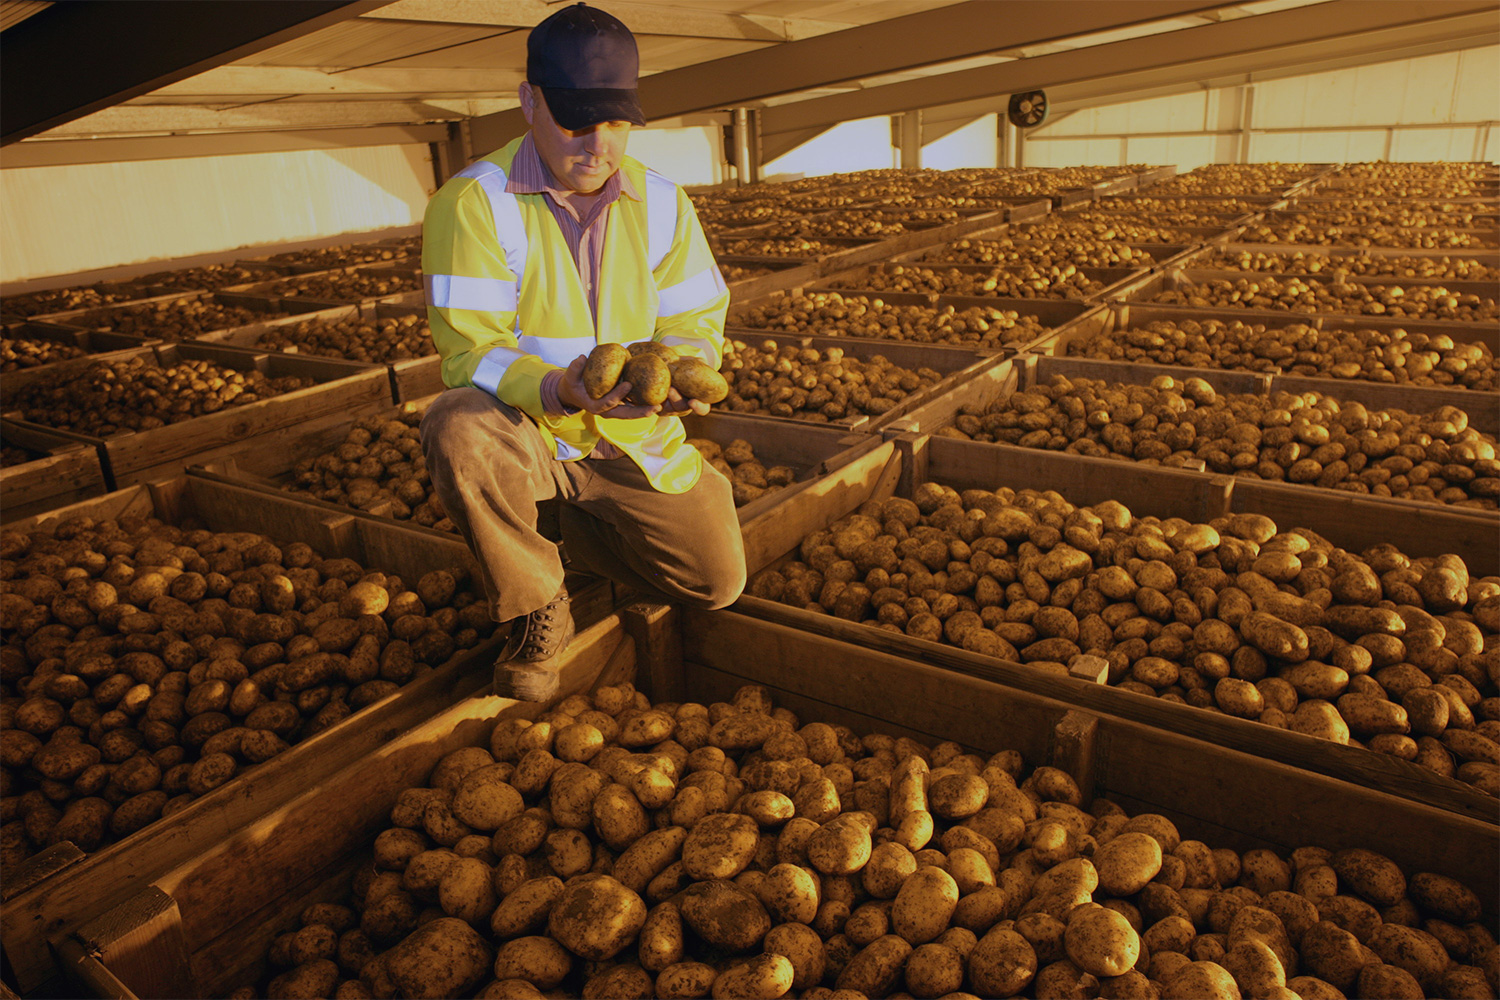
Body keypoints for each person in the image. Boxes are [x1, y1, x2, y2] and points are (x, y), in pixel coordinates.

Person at [419, 2, 745, 701]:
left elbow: (695, 313)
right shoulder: (475, 202)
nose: (599, 144)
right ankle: (538, 601)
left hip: (631, 440)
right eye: (575, 119)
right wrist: (557, 388)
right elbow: (470, 349)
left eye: (617, 120)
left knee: (716, 584)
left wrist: (686, 369)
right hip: (530, 437)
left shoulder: (661, 201)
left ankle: (572, 541)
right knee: (455, 424)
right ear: (527, 101)